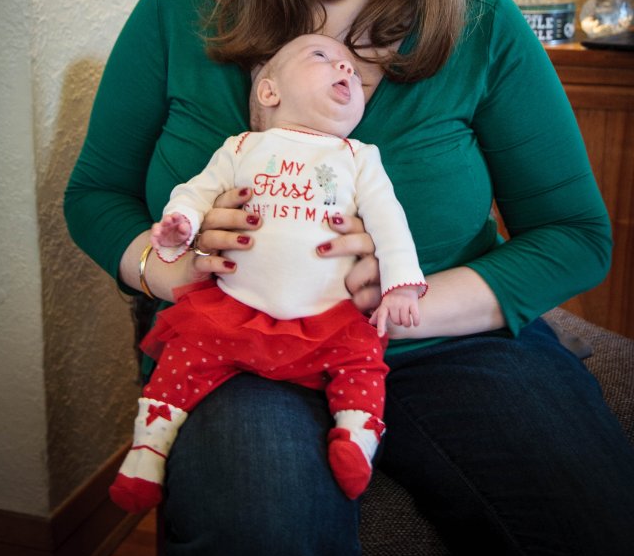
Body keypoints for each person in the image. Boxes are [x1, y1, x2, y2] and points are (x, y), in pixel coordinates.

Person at [64, 0, 634, 556]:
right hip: (243, 348)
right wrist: (160, 270)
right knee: (260, 546)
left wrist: (411, 302)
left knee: (600, 540)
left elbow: (574, 233)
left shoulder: (482, 27)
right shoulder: (182, 8)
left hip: (446, 347)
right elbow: (95, 193)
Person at [109, 33, 426, 511]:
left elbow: (390, 223)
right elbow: (196, 191)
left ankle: (356, 439)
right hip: (237, 309)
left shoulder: (359, 158)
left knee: (363, 360)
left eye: (354, 73)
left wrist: (402, 284)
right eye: (324, 58)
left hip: (328, 318)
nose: (346, 71)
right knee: (183, 356)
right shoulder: (241, 147)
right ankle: (147, 450)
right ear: (270, 92)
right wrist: (182, 224)